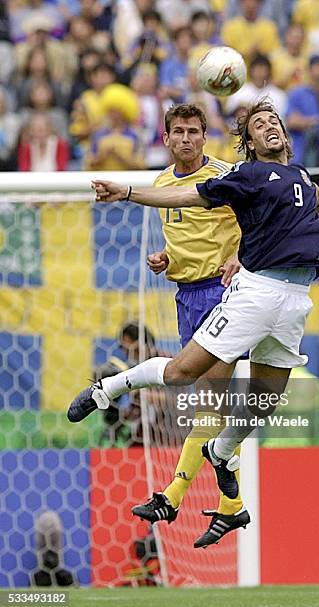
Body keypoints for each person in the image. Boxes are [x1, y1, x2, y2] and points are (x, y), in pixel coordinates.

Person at [69, 99, 319, 547]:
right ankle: (106, 390)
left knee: (264, 401)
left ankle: (221, 458)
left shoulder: (302, 176)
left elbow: (309, 205)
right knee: (185, 377)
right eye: (260, 124)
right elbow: (190, 196)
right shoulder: (242, 175)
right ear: (248, 144)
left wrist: (243, 250)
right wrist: (128, 193)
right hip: (253, 293)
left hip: (294, 299)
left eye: (275, 122)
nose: (271, 127)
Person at [70, 103, 248, 547]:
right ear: (166, 139)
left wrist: (238, 257)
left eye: (193, 131)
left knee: (205, 393)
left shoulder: (226, 176)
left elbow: (258, 225)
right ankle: (228, 505)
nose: (186, 138)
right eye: (178, 132)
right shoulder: (165, 184)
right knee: (209, 402)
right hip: (187, 295)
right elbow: (186, 242)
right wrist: (168, 260)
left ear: (205, 136)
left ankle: (176, 494)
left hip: (224, 293)